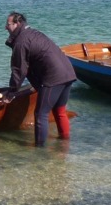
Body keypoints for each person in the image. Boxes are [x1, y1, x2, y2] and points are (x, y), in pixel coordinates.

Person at [4, 12, 76, 145]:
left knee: (41, 114)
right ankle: (65, 144)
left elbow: (19, 71)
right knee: (59, 110)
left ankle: (40, 151)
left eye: (8, 24)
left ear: (17, 23)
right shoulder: (32, 33)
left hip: (54, 78)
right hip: (68, 73)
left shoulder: (21, 41)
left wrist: (11, 92)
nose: (5, 27)